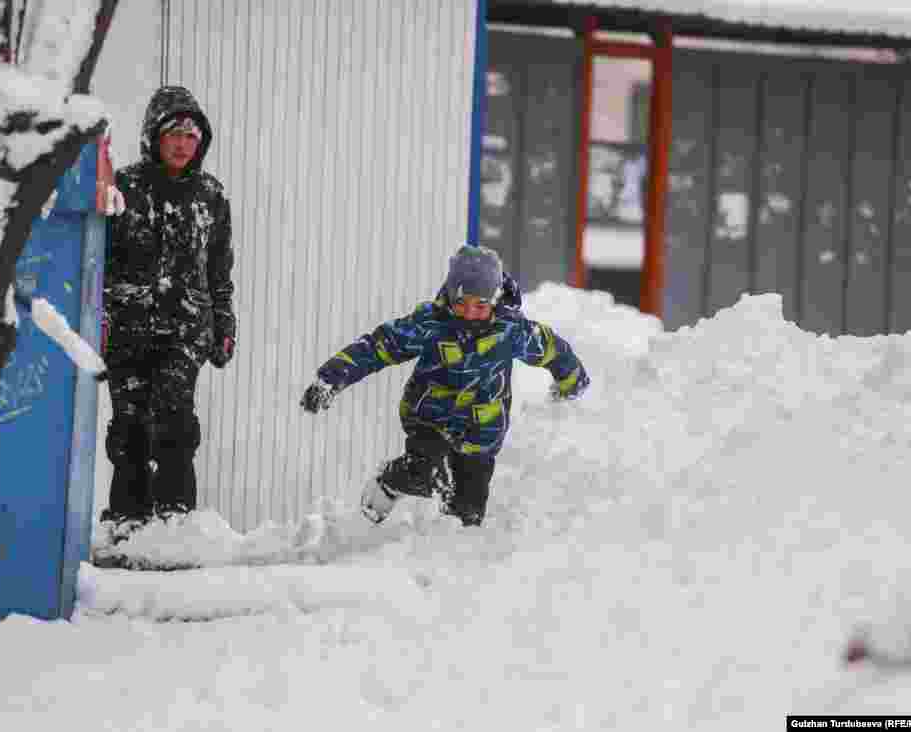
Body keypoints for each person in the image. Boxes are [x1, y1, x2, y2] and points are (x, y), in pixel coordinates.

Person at [300, 245, 588, 527]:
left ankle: (447, 563)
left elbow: (553, 350)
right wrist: (331, 379)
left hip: (482, 432)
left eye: (480, 305)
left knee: (466, 516)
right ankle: (389, 482)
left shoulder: (512, 331)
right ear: (450, 296)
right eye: (461, 303)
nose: (469, 313)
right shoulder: (431, 324)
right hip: (430, 417)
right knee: (425, 474)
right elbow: (377, 348)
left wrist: (572, 380)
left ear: (496, 299)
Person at [99, 86, 236, 539]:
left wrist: (224, 325)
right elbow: (97, 260)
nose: (182, 143)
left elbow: (219, 269)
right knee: (130, 421)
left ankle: (175, 519)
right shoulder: (125, 187)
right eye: (174, 133)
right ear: (154, 136)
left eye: (192, 136)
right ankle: (127, 520)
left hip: (185, 329)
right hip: (128, 327)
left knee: (174, 418)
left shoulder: (211, 197)